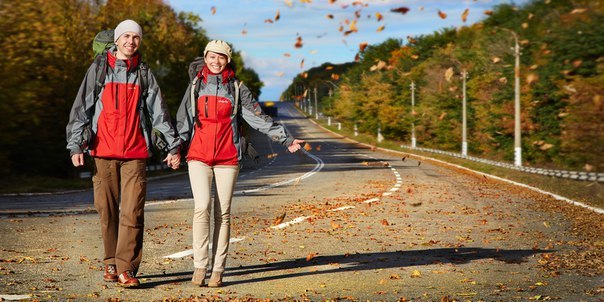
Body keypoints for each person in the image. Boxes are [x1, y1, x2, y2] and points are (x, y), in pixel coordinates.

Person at [176, 40, 305, 287]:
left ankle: (218, 270)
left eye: (221, 57)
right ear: (205, 58)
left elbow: (258, 119)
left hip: (227, 157)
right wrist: (175, 149)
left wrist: (285, 139)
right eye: (212, 57)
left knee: (223, 213)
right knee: (201, 208)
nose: (216, 61)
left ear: (228, 60)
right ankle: (200, 265)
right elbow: (184, 121)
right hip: (198, 156)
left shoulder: (237, 89)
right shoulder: (195, 86)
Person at [66, 19, 181, 288]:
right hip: (102, 151)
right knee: (107, 211)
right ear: (117, 40)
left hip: (136, 152)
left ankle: (126, 267)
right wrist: (75, 145)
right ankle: (110, 260)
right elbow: (81, 108)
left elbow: (159, 113)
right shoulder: (99, 69)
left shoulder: (144, 73)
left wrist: (173, 146)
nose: (131, 41)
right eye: (126, 36)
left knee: (132, 211)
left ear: (140, 41)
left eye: (136, 37)